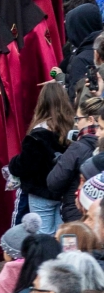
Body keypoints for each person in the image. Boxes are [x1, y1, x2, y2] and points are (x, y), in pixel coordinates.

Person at [8, 82, 74, 233]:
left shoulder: (37, 135)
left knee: (42, 234)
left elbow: (25, 165)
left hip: (40, 191)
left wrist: (13, 164)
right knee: (60, 235)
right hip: (63, 192)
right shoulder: (71, 131)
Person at [47, 93, 102, 222]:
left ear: (90, 120)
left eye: (78, 119)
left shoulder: (79, 147)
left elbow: (53, 181)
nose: (76, 124)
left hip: (77, 214)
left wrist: (62, 161)